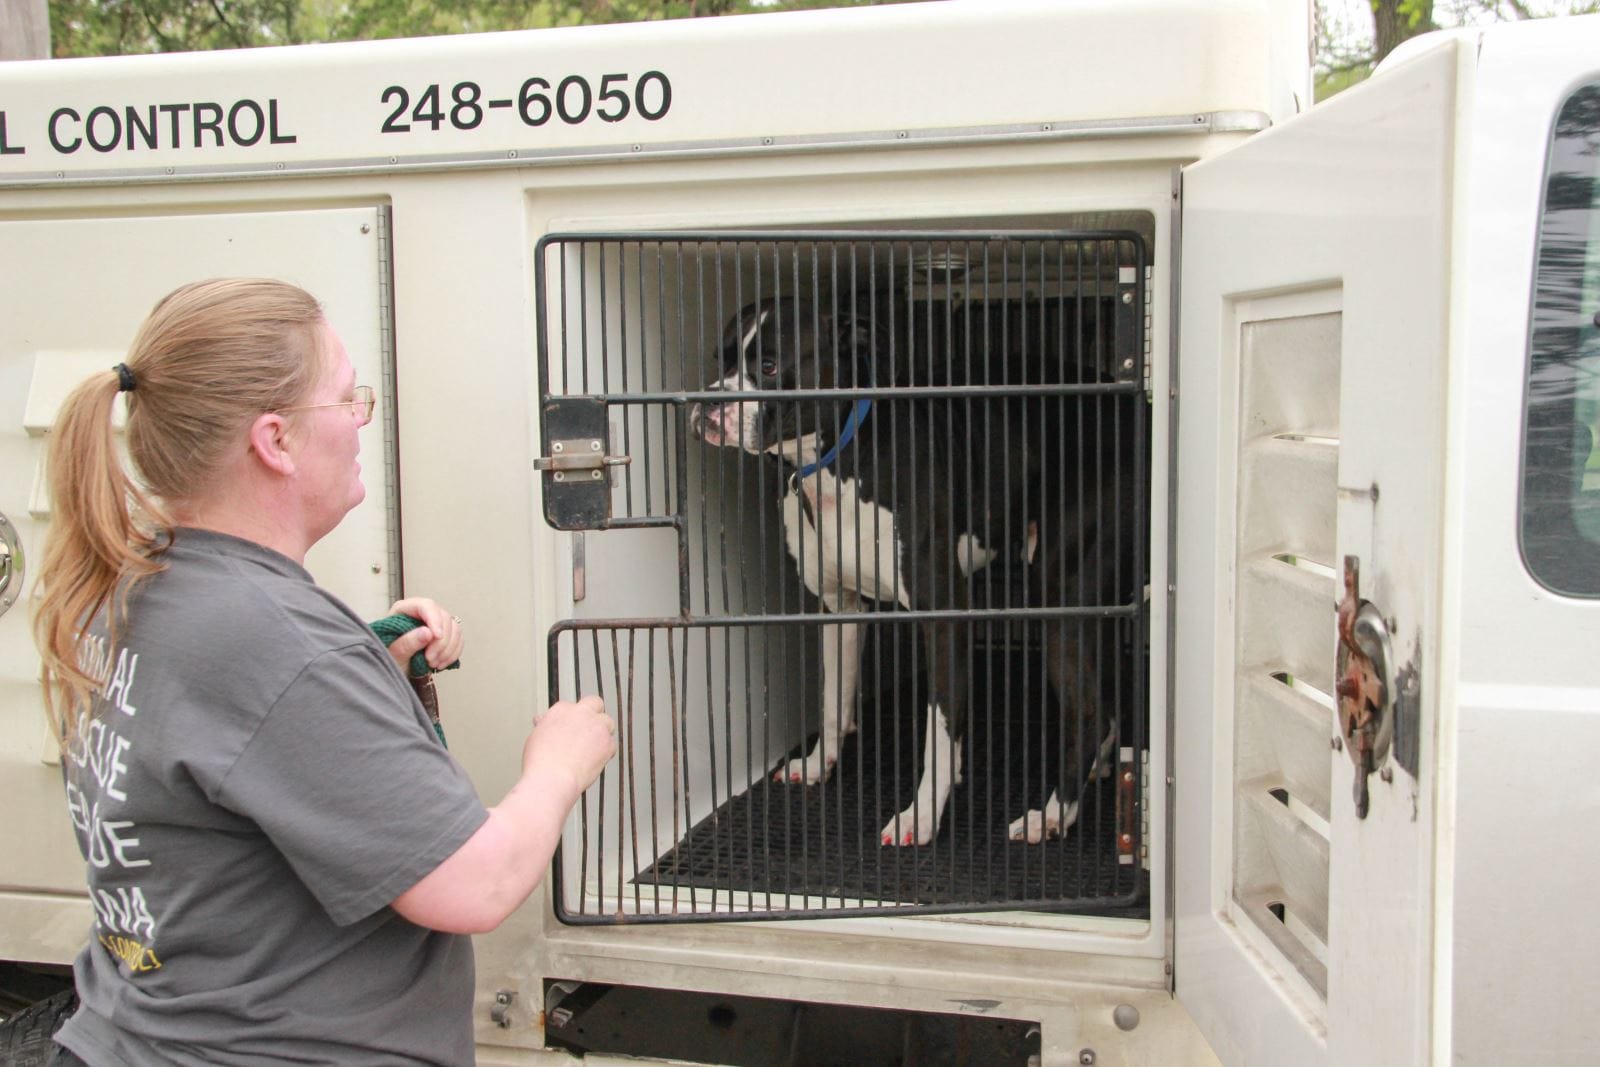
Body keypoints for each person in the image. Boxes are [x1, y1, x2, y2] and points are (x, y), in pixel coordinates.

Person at [30, 278, 617, 1066]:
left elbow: (231, 748)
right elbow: (475, 885)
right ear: (275, 440)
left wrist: (364, 668)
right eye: (346, 398)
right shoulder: (280, 646)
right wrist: (558, 763)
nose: (360, 420)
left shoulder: (135, 584)